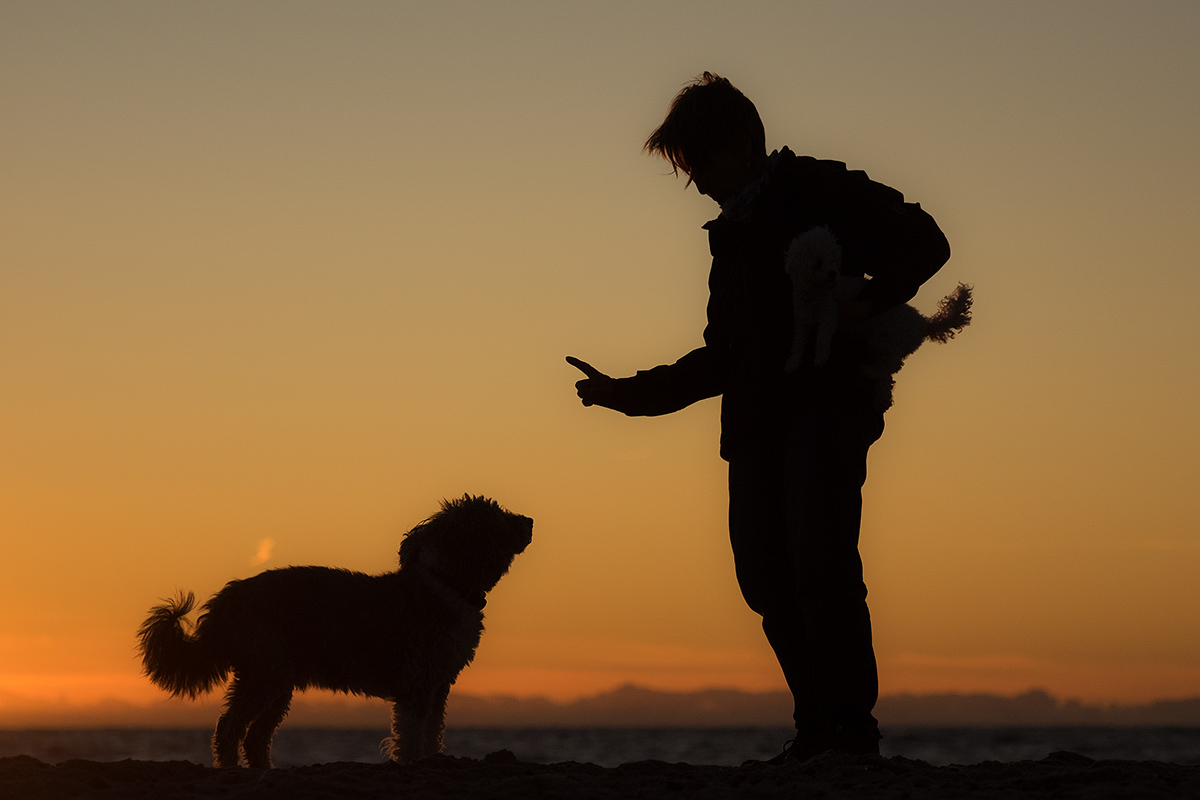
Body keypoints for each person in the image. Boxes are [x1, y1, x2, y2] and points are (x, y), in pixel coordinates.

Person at [567, 72, 951, 763]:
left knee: (819, 559)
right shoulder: (731, 238)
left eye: (700, 164)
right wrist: (627, 394)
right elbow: (725, 357)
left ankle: (849, 733)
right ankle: (816, 729)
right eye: (687, 171)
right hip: (754, 422)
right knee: (764, 575)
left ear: (741, 143)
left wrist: (866, 304)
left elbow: (926, 239)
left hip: (827, 405)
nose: (698, 184)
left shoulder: (817, 188)